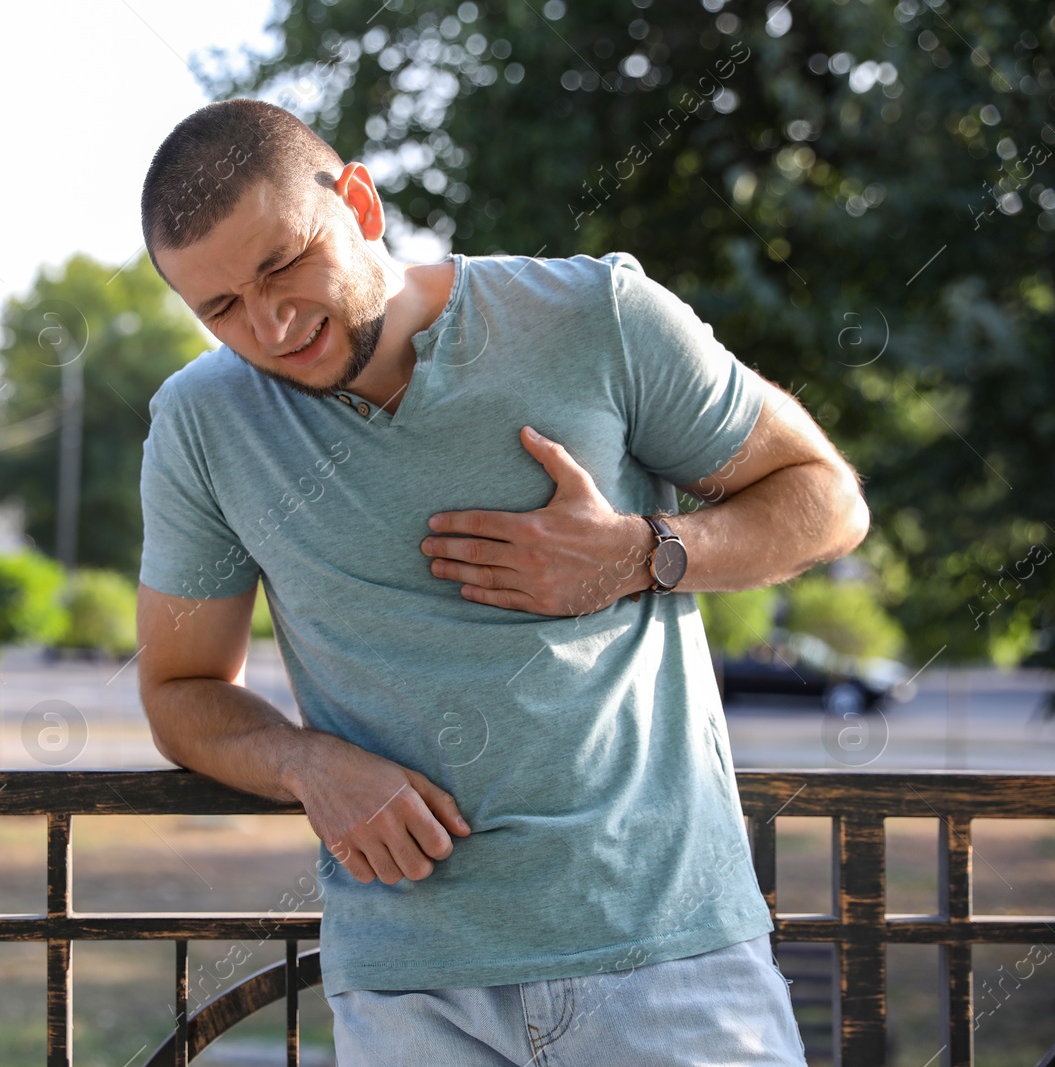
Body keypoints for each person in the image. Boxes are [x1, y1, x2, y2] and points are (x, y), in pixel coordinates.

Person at [133, 99, 869, 1065]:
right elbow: (181, 691)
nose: (270, 323)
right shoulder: (201, 422)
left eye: (283, 263)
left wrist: (642, 552)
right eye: (220, 307)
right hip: (408, 991)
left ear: (359, 200)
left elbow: (827, 498)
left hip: (667, 955)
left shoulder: (595, 316)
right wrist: (305, 763)